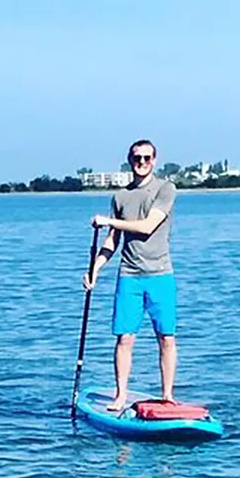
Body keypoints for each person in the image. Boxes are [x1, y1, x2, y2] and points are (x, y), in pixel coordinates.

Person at [82, 139, 178, 411]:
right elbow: (113, 241)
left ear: (155, 160)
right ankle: (120, 395)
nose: (142, 163)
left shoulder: (165, 189)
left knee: (166, 338)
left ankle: (167, 395)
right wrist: (95, 269)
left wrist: (109, 220)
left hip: (161, 274)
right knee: (124, 338)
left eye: (147, 158)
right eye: (137, 158)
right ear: (130, 160)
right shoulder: (120, 197)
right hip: (129, 276)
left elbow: (147, 227)